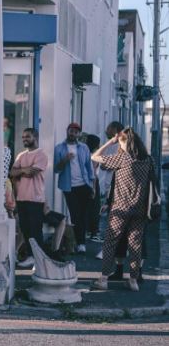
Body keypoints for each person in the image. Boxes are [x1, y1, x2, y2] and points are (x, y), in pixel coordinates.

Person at [91, 128, 155, 292]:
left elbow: (94, 157)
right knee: (135, 245)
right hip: (140, 209)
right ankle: (133, 281)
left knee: (110, 243)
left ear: (124, 141)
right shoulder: (147, 160)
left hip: (120, 208)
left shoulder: (122, 158)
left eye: (119, 142)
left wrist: (109, 142)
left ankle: (103, 279)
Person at [54, 123, 95, 254]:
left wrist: (93, 186)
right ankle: (79, 242)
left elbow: (90, 168)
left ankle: (81, 243)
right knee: (75, 215)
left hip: (84, 185)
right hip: (69, 187)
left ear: (79, 134)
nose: (73, 133)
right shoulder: (59, 148)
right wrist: (65, 160)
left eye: (76, 132)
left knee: (83, 215)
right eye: (71, 131)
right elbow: (56, 169)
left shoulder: (84, 148)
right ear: (67, 131)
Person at [10, 128, 48, 267]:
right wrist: (23, 170)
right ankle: (32, 257)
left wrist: (22, 171)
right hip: (21, 197)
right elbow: (12, 172)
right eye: (23, 137)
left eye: (28, 136)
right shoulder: (21, 155)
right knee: (25, 230)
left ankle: (39, 260)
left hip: (35, 198)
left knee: (35, 231)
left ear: (35, 137)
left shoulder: (41, 154)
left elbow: (31, 173)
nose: (25, 139)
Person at [95, 121, 124, 259]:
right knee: (109, 220)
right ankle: (112, 249)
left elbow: (108, 164)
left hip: (112, 189)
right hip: (106, 187)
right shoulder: (113, 146)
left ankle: (107, 250)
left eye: (108, 128)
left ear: (115, 131)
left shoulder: (118, 146)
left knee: (109, 221)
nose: (106, 130)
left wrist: (107, 165)